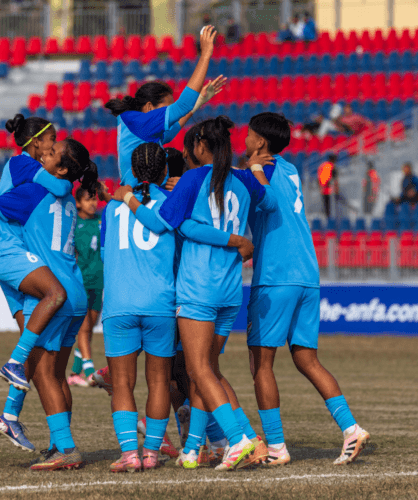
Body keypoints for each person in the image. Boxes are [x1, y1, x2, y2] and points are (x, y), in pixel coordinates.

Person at [101, 142, 245, 472]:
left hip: (120, 302)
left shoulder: (112, 207)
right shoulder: (172, 203)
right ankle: (152, 453)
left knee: (121, 383)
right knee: (159, 381)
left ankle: (129, 454)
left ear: (132, 171)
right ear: (165, 170)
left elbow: (106, 254)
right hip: (161, 304)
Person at [244, 112, 370, 467]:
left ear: (261, 142)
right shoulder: (289, 169)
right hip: (307, 274)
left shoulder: (259, 171)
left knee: (261, 363)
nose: (245, 139)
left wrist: (252, 171)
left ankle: (277, 447)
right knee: (306, 359)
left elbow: (266, 201)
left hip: (276, 275)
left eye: (249, 135)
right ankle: (351, 428)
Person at [157, 116, 277, 471]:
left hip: (198, 286)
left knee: (197, 369)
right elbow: (269, 201)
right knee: (208, 370)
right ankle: (198, 447)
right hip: (229, 289)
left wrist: (165, 190)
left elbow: (170, 221)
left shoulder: (194, 178)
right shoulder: (242, 179)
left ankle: (237, 440)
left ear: (199, 146)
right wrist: (254, 169)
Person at [0, 138, 101, 471]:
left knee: (44, 375)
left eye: (51, 152)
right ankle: (57, 445)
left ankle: (66, 448)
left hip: (50, 293)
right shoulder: (69, 200)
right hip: (75, 291)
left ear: (60, 169)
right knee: (58, 376)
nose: (43, 154)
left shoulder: (32, 192)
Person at [0, 115, 74, 454]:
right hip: (13, 254)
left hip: (15, 253)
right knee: (55, 295)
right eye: (51, 139)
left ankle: (9, 415)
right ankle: (13, 364)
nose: (54, 145)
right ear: (36, 142)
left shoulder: (23, 169)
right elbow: (62, 187)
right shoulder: (22, 163)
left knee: (33, 344)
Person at [105, 25, 224, 187]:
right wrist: (205, 56)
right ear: (149, 107)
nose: (171, 111)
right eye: (167, 107)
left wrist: (199, 102)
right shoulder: (140, 123)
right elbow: (182, 106)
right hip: (140, 197)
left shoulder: (139, 126)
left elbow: (171, 131)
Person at [67, 186, 103, 388]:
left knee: (90, 327)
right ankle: (89, 371)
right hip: (81, 281)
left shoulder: (101, 221)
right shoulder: (74, 225)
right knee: (84, 327)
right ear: (78, 203)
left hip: (99, 280)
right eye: (88, 199)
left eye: (94, 199)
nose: (92, 203)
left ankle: (74, 373)